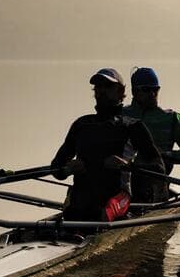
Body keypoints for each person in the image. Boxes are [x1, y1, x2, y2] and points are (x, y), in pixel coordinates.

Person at [50, 68, 164, 222]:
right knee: (74, 212)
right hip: (83, 195)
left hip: (117, 196)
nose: (102, 90)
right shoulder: (81, 124)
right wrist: (67, 170)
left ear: (121, 91)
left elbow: (158, 168)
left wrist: (128, 166)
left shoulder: (133, 126)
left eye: (108, 86)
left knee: (103, 213)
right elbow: (56, 167)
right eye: (98, 86)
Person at [122, 67, 180, 202]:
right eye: (146, 90)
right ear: (134, 91)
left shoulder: (172, 118)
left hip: (155, 182)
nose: (152, 94)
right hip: (122, 179)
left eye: (156, 89)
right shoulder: (119, 114)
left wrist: (168, 154)